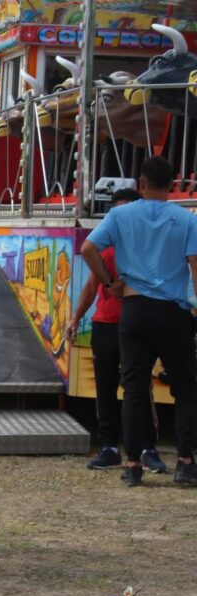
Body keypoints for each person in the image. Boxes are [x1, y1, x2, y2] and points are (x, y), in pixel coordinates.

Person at [82, 156, 197, 487]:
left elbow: (89, 249)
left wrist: (108, 283)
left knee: (133, 387)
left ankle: (132, 464)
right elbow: (194, 264)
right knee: (186, 387)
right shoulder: (185, 219)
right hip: (172, 312)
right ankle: (186, 461)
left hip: (132, 309)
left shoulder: (120, 214)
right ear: (173, 185)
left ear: (141, 184)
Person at [68, 189, 164, 472]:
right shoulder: (105, 249)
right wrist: (75, 318)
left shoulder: (149, 249)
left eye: (128, 210)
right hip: (106, 325)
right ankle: (109, 446)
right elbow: (90, 287)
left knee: (139, 388)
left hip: (137, 325)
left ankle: (147, 448)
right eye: (117, 212)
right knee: (105, 388)